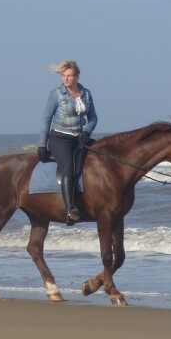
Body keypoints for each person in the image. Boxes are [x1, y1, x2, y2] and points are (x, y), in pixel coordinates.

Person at [38, 60, 97, 225]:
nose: (66, 79)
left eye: (70, 76)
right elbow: (46, 119)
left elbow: (93, 117)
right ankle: (71, 209)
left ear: (77, 76)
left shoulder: (86, 94)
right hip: (60, 138)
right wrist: (42, 144)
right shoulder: (56, 94)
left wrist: (87, 131)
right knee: (69, 168)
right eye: (64, 76)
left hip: (79, 137)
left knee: (100, 159)